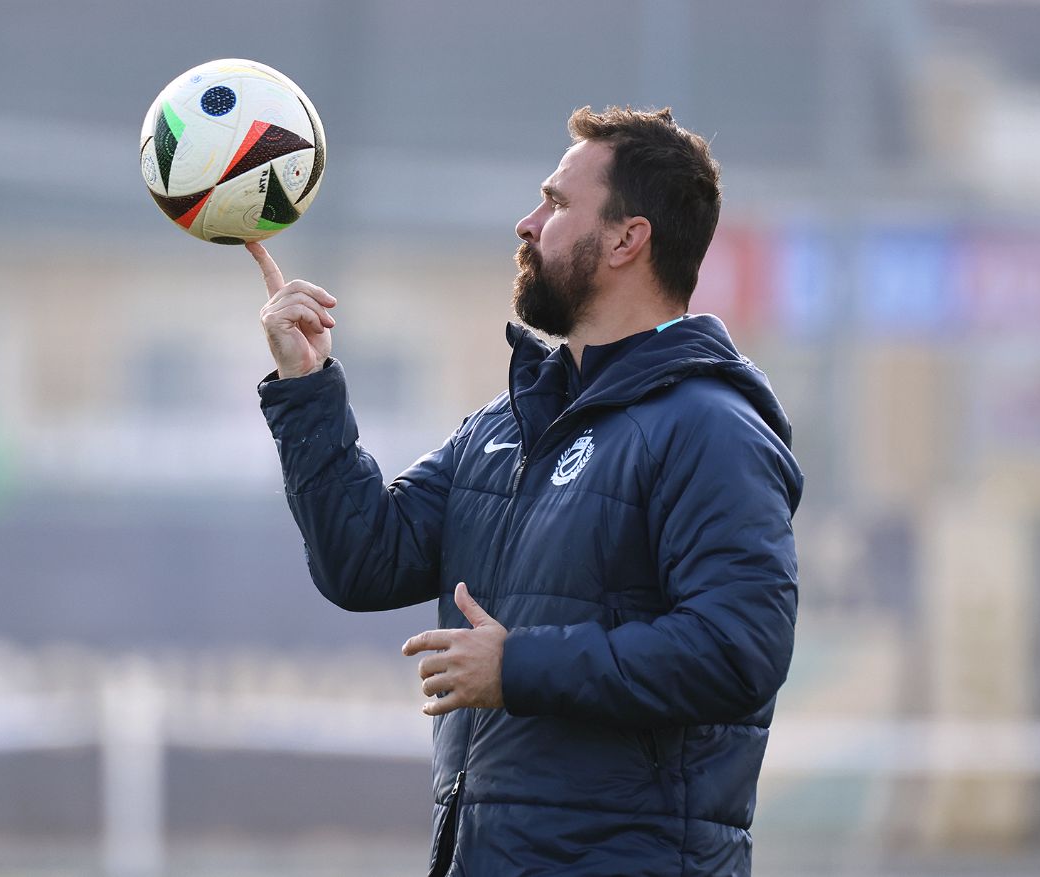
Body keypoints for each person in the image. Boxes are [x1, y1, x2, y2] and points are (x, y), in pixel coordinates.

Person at [249, 106, 802, 877]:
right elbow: (364, 561)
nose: (527, 222)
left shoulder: (710, 427)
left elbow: (737, 651)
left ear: (627, 239)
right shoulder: (506, 424)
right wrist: (306, 385)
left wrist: (517, 668)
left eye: (555, 202)